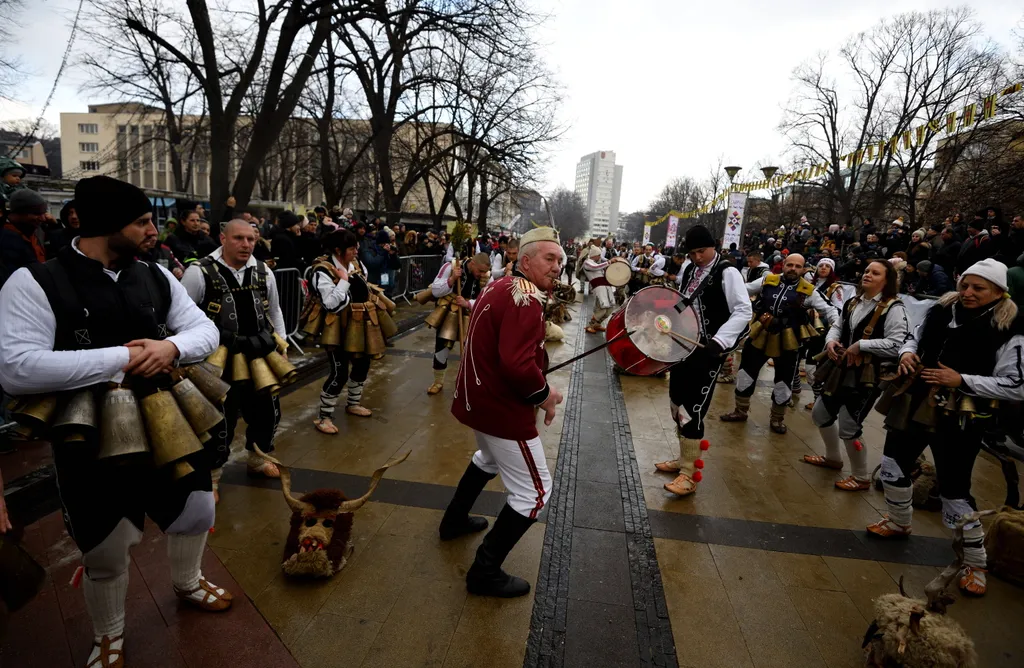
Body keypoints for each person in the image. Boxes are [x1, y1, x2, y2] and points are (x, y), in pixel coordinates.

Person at [0, 175, 228, 668]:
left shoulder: (155, 273)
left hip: (167, 418)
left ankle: (188, 582)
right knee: (106, 540)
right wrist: (119, 358)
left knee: (195, 510)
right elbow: (16, 367)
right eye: (142, 221)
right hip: (88, 432)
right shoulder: (34, 280)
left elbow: (204, 329)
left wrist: (170, 346)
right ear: (107, 226)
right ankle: (109, 634)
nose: (153, 230)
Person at [868, 259, 1024, 597]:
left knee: (955, 488)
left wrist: (961, 379)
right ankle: (899, 520)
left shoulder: (1010, 325)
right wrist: (907, 354)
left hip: (962, 412)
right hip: (917, 398)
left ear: (998, 291)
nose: (967, 292)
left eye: (978, 288)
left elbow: (1016, 385)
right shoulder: (941, 308)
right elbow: (913, 337)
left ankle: (975, 560)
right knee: (893, 463)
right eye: (965, 284)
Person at [438, 227, 563, 598]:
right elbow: (516, 365)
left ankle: (454, 521)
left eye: (559, 260)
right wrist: (545, 395)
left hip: (478, 401)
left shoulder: (500, 285)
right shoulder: (527, 299)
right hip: (501, 410)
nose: (557, 266)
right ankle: (484, 571)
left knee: (487, 458)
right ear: (525, 260)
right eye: (549, 258)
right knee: (536, 493)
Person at [182, 220, 288, 498]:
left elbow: (274, 311)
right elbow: (181, 316)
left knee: (268, 411)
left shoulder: (264, 271)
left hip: (260, 352)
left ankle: (258, 458)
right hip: (217, 358)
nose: (246, 244)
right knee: (219, 418)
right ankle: (213, 475)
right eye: (239, 238)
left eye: (251, 239)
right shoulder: (198, 272)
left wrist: (282, 341)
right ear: (223, 238)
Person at [656, 226, 751, 497]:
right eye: (692, 252)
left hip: (708, 350)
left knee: (692, 407)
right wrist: (665, 318)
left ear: (713, 246)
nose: (697, 257)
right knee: (676, 400)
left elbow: (744, 310)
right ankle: (683, 457)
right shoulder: (689, 269)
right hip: (683, 346)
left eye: (701, 251)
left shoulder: (727, 271)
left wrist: (720, 341)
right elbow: (685, 302)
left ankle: (688, 473)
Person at [804, 260, 907, 490]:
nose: (867, 275)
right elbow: (838, 326)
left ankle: (860, 477)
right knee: (821, 414)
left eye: (875, 273)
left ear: (887, 280)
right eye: (867, 271)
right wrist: (831, 341)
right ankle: (833, 458)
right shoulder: (853, 302)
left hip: (867, 376)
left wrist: (861, 345)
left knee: (849, 426)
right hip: (841, 368)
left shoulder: (894, 307)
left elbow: (897, 343)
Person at [721, 253, 840, 434]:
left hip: (788, 340)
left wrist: (835, 335)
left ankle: (777, 419)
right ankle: (740, 411)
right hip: (760, 334)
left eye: (797, 266)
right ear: (783, 265)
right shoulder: (767, 280)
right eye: (789, 265)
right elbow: (741, 290)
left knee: (783, 382)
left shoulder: (809, 290)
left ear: (803, 268)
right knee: (746, 373)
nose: (793, 269)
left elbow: (832, 311)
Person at [309, 230, 380, 434]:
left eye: (356, 247)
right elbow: (330, 304)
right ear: (338, 250)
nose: (356, 251)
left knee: (362, 363)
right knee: (339, 372)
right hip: (335, 328)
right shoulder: (322, 270)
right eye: (352, 248)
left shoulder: (356, 264)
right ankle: (325, 416)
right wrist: (342, 280)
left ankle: (353, 403)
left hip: (359, 323)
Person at [426, 253, 491, 395]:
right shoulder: (450, 267)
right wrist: (452, 279)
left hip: (472, 311)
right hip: (450, 310)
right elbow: (436, 290)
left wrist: (468, 303)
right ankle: (438, 381)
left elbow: (488, 299)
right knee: (442, 345)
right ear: (472, 263)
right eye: (479, 271)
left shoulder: (487, 276)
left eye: (484, 272)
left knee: (473, 349)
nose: (481, 275)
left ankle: (470, 381)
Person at [799, 258, 845, 410]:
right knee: (795, 356)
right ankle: (794, 387)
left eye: (827, 266)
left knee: (813, 365)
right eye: (821, 266)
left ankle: (818, 399)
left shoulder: (835, 287)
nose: (823, 268)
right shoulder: (810, 285)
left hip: (821, 330)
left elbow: (838, 311)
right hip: (804, 326)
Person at [0, 189, 49, 288]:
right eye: (37, 213)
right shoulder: (5, 241)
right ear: (18, 214)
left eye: (44, 213)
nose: (43, 218)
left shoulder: (33, 231)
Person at [582, 245, 625, 333]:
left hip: (606, 288)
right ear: (595, 255)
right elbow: (595, 268)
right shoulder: (587, 262)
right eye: (599, 255)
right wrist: (609, 262)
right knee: (601, 309)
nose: (599, 257)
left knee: (610, 308)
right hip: (599, 289)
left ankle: (597, 324)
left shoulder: (597, 263)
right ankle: (590, 325)